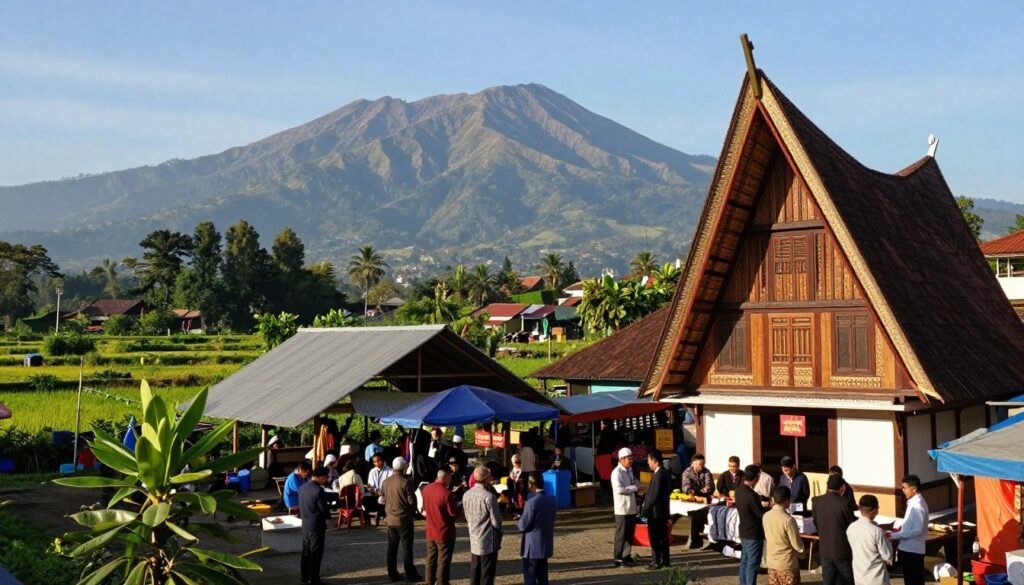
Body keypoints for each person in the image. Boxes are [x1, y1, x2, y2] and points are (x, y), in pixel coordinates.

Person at [382, 457, 422, 583]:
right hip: (404, 520)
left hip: (390, 520)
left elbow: (382, 498)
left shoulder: (386, 482)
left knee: (392, 548)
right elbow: (411, 501)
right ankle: (410, 574)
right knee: (406, 548)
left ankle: (392, 574)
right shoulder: (406, 482)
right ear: (404, 467)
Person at [812, 474, 856, 585]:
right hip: (842, 550)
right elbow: (852, 527)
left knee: (828, 581)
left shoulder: (816, 501)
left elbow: (816, 522)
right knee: (846, 581)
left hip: (825, 549)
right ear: (842, 487)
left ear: (827, 486)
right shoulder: (844, 503)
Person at [464, 466, 503, 585]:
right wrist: (499, 533)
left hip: (473, 536)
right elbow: (496, 520)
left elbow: (466, 515)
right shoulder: (489, 497)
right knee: (487, 571)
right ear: (486, 478)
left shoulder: (466, 494)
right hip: (487, 538)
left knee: (475, 568)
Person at [519, 472, 557, 585]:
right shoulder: (552, 499)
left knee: (530, 577)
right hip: (545, 542)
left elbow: (523, 525)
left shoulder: (531, 503)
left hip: (532, 545)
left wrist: (519, 519)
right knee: (543, 577)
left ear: (531, 484)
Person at [846, 494, 893, 585]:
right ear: (875, 511)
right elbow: (887, 556)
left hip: (859, 575)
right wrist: (887, 539)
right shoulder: (877, 531)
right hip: (876, 578)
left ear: (860, 509)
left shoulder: (851, 528)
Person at [422, 469, 458, 585]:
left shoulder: (426, 489)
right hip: (444, 531)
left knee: (431, 558)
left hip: (430, 530)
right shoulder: (446, 493)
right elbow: (453, 513)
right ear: (446, 477)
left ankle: (429, 581)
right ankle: (442, 582)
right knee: (443, 560)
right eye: (450, 477)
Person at [890, 475, 928, 585]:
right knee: (912, 579)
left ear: (914, 488)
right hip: (910, 548)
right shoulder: (914, 503)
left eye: (905, 488)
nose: (903, 491)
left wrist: (893, 535)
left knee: (913, 580)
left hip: (912, 550)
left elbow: (916, 530)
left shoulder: (917, 506)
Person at [763, 485, 805, 585]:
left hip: (772, 561)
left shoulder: (766, 516)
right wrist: (803, 551)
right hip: (786, 563)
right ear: (787, 500)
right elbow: (797, 545)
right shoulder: (788, 520)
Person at [299, 466, 331, 585]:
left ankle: (304, 576)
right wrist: (328, 519)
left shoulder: (302, 488)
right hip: (316, 525)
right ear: (320, 477)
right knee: (316, 553)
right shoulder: (318, 490)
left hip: (305, 523)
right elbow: (323, 509)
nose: (327, 479)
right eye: (326, 477)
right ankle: (314, 578)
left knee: (306, 552)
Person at [640, 449, 671, 569]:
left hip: (656, 512)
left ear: (654, 460)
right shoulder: (663, 473)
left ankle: (656, 561)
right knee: (663, 537)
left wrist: (645, 509)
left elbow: (654, 495)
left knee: (655, 538)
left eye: (649, 460)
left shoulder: (659, 474)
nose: (648, 463)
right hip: (662, 511)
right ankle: (665, 561)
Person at [736, 464, 767, 585]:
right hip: (753, 533)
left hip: (743, 530)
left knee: (744, 561)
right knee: (752, 564)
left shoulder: (739, 490)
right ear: (756, 478)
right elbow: (760, 514)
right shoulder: (752, 495)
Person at [611, 447, 639, 567]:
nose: (631, 460)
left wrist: (639, 486)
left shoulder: (630, 470)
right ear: (622, 459)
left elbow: (635, 482)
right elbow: (619, 489)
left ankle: (626, 555)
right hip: (622, 509)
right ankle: (618, 558)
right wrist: (635, 488)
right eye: (629, 458)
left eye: (632, 458)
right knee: (621, 535)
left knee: (629, 534)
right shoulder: (616, 472)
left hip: (631, 507)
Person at [680, 453, 714, 549]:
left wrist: (698, 493)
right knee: (696, 516)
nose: (700, 466)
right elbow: (686, 487)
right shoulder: (687, 472)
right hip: (693, 500)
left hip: (705, 499)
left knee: (707, 516)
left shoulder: (706, 472)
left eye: (702, 464)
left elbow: (709, 486)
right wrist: (695, 494)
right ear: (693, 464)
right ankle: (696, 540)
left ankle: (705, 539)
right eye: (698, 464)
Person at [366, 453, 393, 523]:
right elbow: (370, 484)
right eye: (374, 462)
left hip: (385, 494)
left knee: (381, 499)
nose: (376, 463)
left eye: (378, 461)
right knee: (364, 499)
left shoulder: (390, 471)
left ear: (383, 460)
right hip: (374, 493)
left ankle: (380, 514)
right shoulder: (372, 471)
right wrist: (371, 489)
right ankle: (369, 517)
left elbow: (389, 485)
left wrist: (380, 492)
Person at [509, 453, 526, 518]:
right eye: (515, 463)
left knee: (521, 501)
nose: (517, 464)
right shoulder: (512, 470)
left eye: (518, 462)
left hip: (521, 489)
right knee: (515, 500)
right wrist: (511, 479)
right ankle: (518, 513)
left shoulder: (524, 470)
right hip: (515, 489)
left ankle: (521, 514)